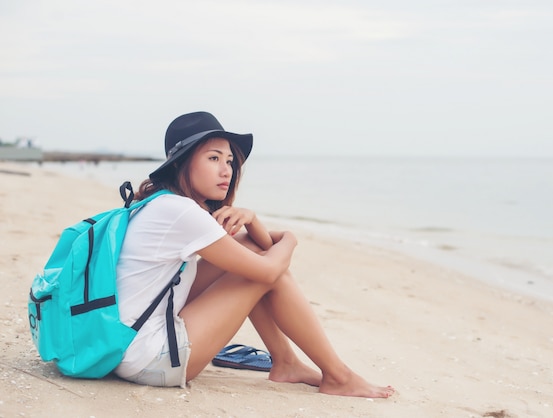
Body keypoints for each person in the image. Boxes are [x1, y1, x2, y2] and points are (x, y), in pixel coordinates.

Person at [113, 111, 394, 398]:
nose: (227, 170)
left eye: (229, 161)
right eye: (213, 158)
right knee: (262, 270)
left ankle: (286, 363)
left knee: (252, 256)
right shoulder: (181, 212)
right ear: (182, 164)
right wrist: (291, 238)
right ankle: (338, 375)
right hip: (151, 361)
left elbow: (256, 248)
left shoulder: (161, 204)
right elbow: (270, 272)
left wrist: (253, 221)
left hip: (126, 349)